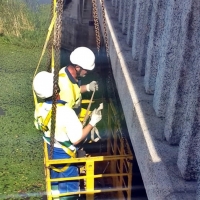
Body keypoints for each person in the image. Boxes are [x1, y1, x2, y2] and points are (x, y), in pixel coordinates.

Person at [33, 71, 102, 199]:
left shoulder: (39, 109)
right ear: (56, 89)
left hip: (51, 152)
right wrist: (92, 122)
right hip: (66, 157)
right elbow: (76, 139)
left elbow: (39, 127)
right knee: (69, 192)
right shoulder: (65, 112)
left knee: (54, 185)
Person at [59, 47, 98, 117]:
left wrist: (88, 87)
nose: (87, 73)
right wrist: (91, 124)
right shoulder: (67, 94)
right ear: (77, 67)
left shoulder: (65, 70)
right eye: (87, 70)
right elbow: (65, 119)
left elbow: (75, 90)